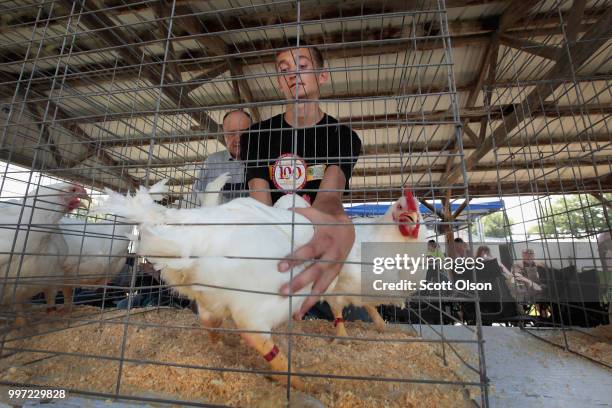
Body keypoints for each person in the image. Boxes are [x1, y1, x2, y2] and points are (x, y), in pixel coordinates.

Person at [241, 40, 362, 319]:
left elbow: (329, 197)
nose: (293, 74)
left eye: (302, 66)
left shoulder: (342, 136)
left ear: (321, 76)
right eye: (284, 70)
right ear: (279, 83)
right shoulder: (257, 136)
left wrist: (328, 225)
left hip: (316, 245)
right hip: (272, 244)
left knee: (353, 317)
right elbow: (261, 204)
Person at [192, 110, 252, 205]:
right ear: (224, 135)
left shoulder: (265, 160)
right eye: (232, 133)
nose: (238, 139)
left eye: (243, 133)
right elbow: (195, 198)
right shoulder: (213, 161)